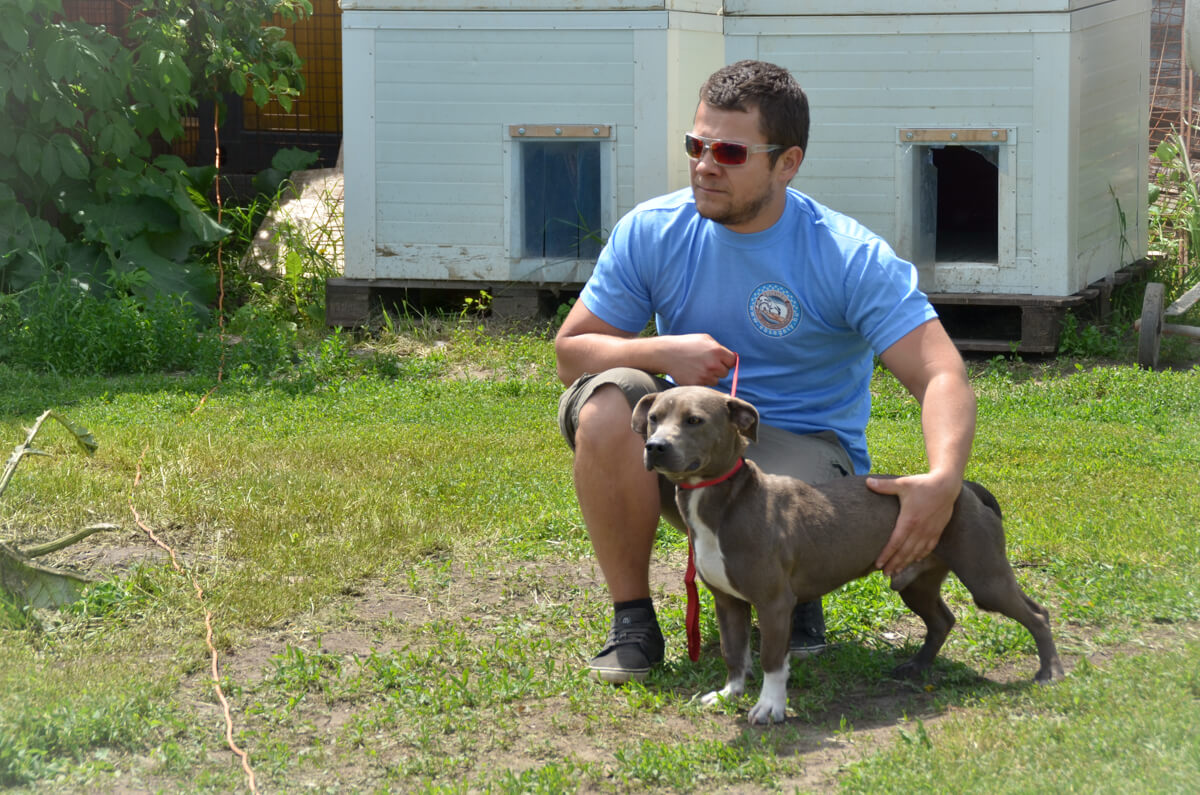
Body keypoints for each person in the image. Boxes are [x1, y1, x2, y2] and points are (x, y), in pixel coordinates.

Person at [554, 60, 977, 685]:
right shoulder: (652, 231)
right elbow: (571, 351)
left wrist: (943, 481)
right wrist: (662, 353)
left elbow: (941, 373)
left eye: (729, 152)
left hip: (805, 465)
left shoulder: (846, 254)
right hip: (697, 440)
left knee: (780, 497)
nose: (705, 165)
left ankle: (796, 587)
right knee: (609, 403)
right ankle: (633, 622)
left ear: (787, 163)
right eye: (696, 145)